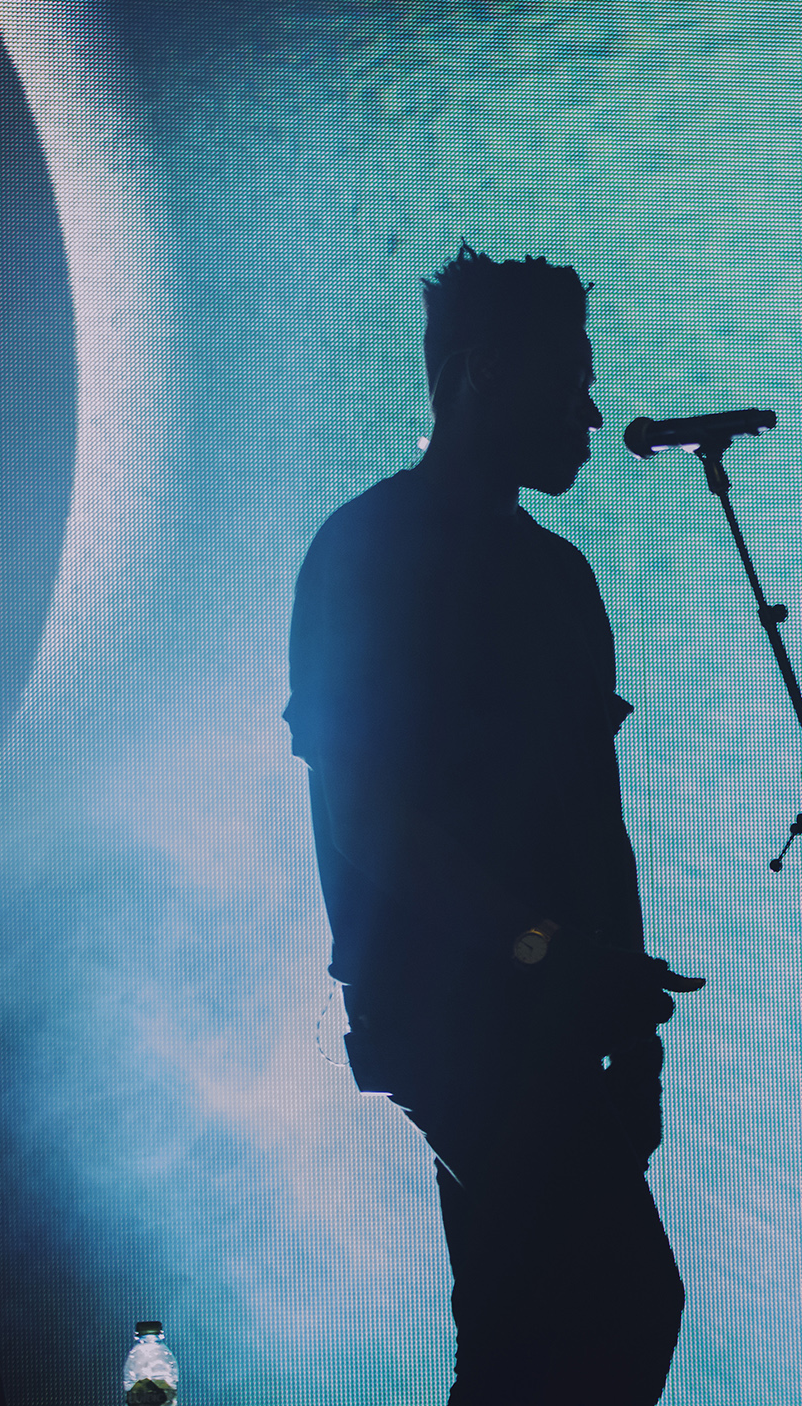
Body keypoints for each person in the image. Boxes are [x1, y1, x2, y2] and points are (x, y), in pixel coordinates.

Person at [286, 247, 704, 1405]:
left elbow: (593, 814)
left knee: (523, 1328)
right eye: (568, 378)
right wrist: (543, 950)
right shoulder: (368, 551)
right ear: (478, 374)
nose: (592, 409)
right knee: (624, 1303)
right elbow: (363, 813)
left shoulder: (559, 576)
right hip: (451, 1006)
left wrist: (627, 1018)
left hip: (549, 1007)